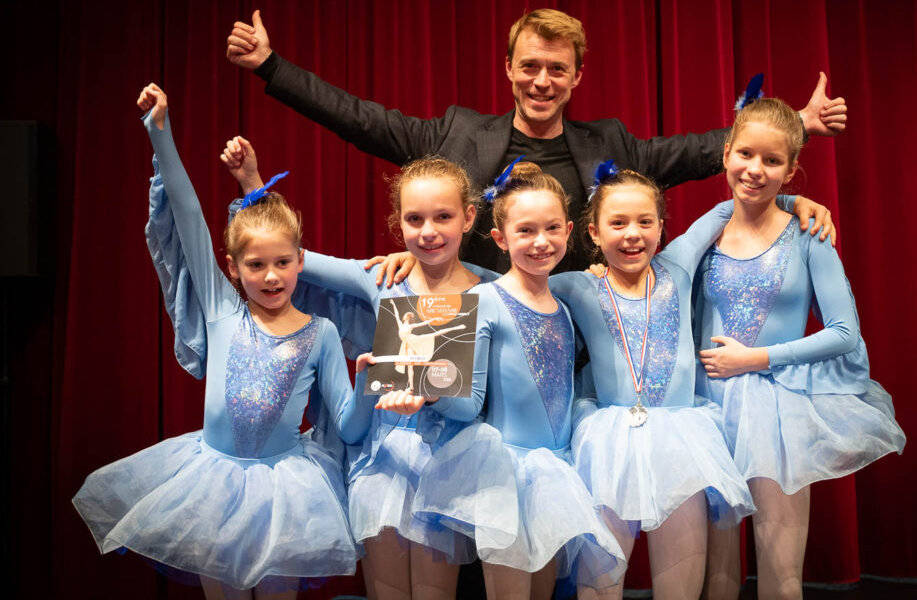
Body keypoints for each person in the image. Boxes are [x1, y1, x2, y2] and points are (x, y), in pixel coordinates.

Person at [225, 8, 845, 271]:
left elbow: (708, 150)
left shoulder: (611, 145)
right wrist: (273, 67)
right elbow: (358, 118)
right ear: (508, 69)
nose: (541, 81)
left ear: (577, 76)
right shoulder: (456, 134)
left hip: (569, 335)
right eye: (529, 66)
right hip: (468, 325)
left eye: (556, 69)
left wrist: (798, 124)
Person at [72, 84, 374, 600]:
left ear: (301, 261)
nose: (272, 276)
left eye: (283, 263)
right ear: (232, 269)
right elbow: (189, 216)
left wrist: (366, 382)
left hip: (287, 491)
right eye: (256, 265)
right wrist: (160, 133)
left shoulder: (321, 334)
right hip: (213, 484)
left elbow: (346, 428)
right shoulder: (222, 310)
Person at [221, 143, 495, 600]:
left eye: (442, 217)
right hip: (381, 464)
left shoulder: (489, 289)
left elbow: (474, 400)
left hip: (446, 465)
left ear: (468, 218)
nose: (428, 232)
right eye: (414, 220)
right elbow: (290, 255)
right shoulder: (383, 278)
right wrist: (253, 185)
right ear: (398, 223)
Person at [693, 99, 905, 600]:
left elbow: (844, 332)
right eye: (746, 153)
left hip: (777, 413)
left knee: (781, 571)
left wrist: (756, 358)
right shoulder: (706, 235)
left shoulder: (810, 236)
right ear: (726, 154)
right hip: (706, 408)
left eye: (772, 161)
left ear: (791, 171)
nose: (755, 169)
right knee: (717, 574)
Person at [394, 161, 627, 599]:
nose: (541, 242)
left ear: (570, 230)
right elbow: (469, 403)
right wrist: (430, 391)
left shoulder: (565, 304)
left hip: (558, 470)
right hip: (506, 475)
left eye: (552, 228)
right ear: (500, 239)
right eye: (525, 231)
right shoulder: (482, 299)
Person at [546, 164, 757, 599]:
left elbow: (730, 206)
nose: (632, 234)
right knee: (598, 584)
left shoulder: (677, 266)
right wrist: (418, 262)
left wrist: (796, 202)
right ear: (593, 232)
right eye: (617, 223)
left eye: (645, 221)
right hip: (606, 445)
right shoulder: (576, 285)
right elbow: (500, 284)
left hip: (681, 440)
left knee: (680, 586)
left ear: (662, 227)